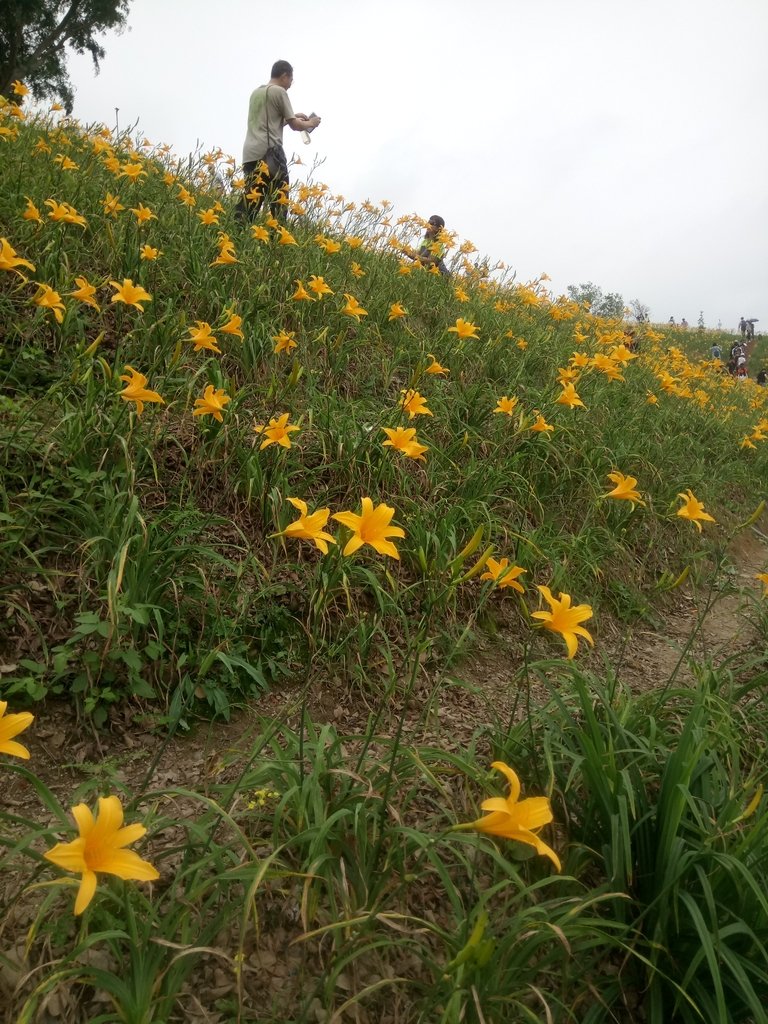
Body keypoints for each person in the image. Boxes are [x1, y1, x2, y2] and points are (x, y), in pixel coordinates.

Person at [235, 60, 321, 222]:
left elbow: (271, 122)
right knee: (279, 200)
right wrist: (311, 123)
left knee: (253, 197)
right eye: (290, 80)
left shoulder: (256, 93)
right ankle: (276, 239)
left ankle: (236, 229)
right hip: (270, 155)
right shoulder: (280, 92)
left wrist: (292, 116)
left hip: (250, 155)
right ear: (284, 76)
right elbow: (296, 126)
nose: (290, 84)